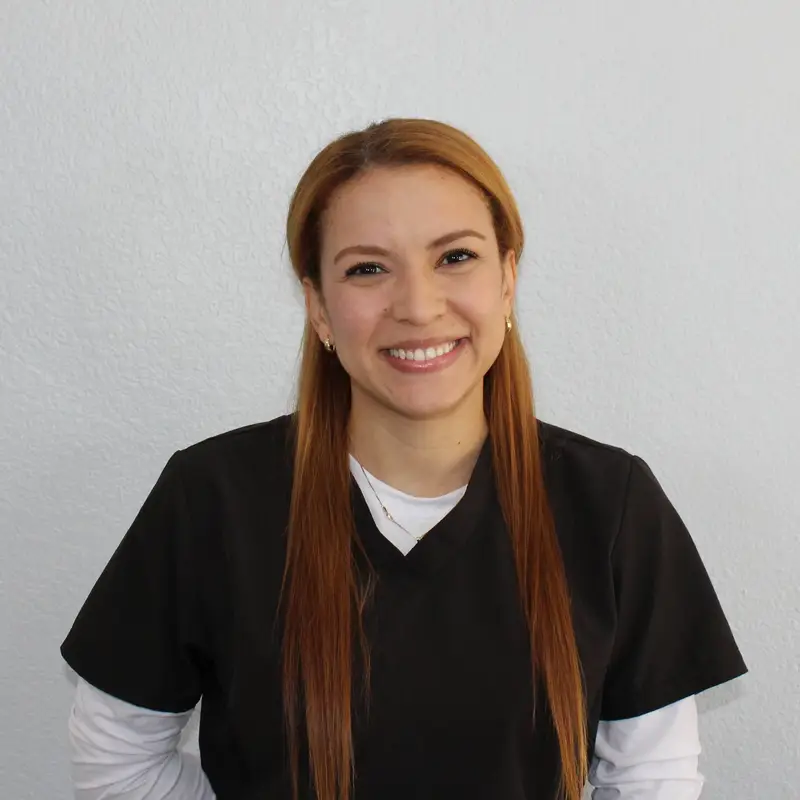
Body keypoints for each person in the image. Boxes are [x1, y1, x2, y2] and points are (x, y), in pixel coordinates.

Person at [60, 118, 747, 800]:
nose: (418, 306)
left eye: (455, 257)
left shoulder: (611, 505)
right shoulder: (211, 501)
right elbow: (119, 763)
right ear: (318, 308)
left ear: (508, 280)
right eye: (368, 269)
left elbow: (652, 781)